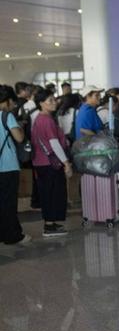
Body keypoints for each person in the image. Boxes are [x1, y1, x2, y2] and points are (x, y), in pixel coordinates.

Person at [31, 87, 73, 237]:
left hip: (42, 163)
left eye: (54, 99)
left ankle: (51, 223)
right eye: (50, 100)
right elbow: (54, 144)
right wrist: (66, 163)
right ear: (41, 103)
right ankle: (49, 226)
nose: (54, 102)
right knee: (52, 193)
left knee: (49, 193)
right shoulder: (46, 120)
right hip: (49, 163)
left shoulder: (40, 118)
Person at [0, 85, 30, 245]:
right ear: (7, 100)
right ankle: (13, 235)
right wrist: (21, 128)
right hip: (8, 166)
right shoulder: (6, 116)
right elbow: (19, 138)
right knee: (9, 202)